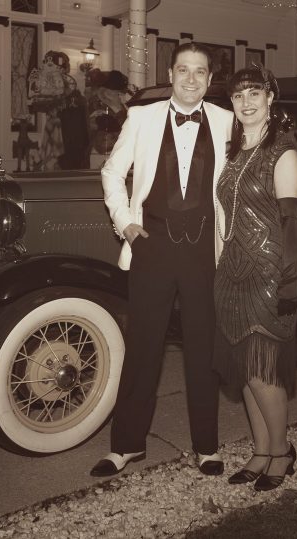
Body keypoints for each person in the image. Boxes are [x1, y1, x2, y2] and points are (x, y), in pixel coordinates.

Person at [91, 42, 234, 477]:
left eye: (200, 72)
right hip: (151, 246)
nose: (191, 79)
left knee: (203, 349)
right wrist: (125, 223)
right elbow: (112, 172)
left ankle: (206, 445)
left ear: (210, 80)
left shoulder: (229, 123)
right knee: (143, 348)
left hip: (204, 252)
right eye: (183, 70)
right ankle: (127, 445)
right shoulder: (142, 117)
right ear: (170, 74)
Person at [213, 65, 297, 492]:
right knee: (243, 366)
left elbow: (290, 223)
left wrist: (290, 279)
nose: (246, 102)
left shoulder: (283, 153)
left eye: (255, 93)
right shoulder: (233, 153)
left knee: (262, 368)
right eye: (238, 96)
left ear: (271, 98)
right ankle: (261, 449)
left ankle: (282, 451)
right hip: (230, 272)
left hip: (268, 274)